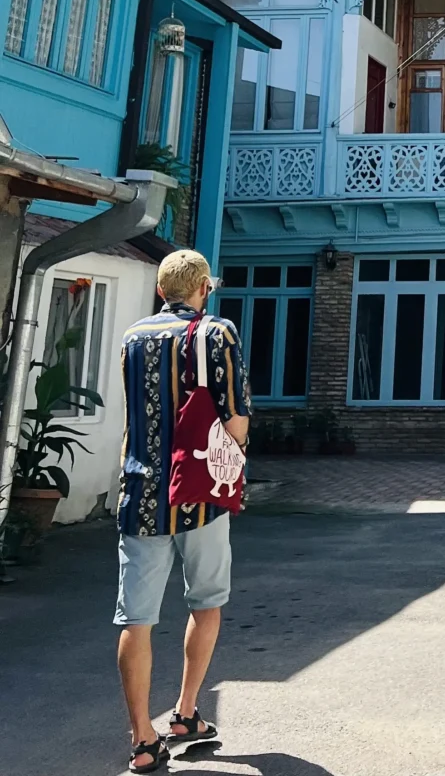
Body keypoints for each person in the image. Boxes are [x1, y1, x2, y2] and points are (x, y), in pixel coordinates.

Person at [115, 249, 251, 774]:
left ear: (160, 290)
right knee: (207, 602)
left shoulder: (132, 336)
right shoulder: (217, 332)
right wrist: (231, 468)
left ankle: (142, 740)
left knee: (136, 618)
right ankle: (186, 713)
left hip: (140, 493)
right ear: (204, 289)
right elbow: (236, 414)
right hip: (199, 494)